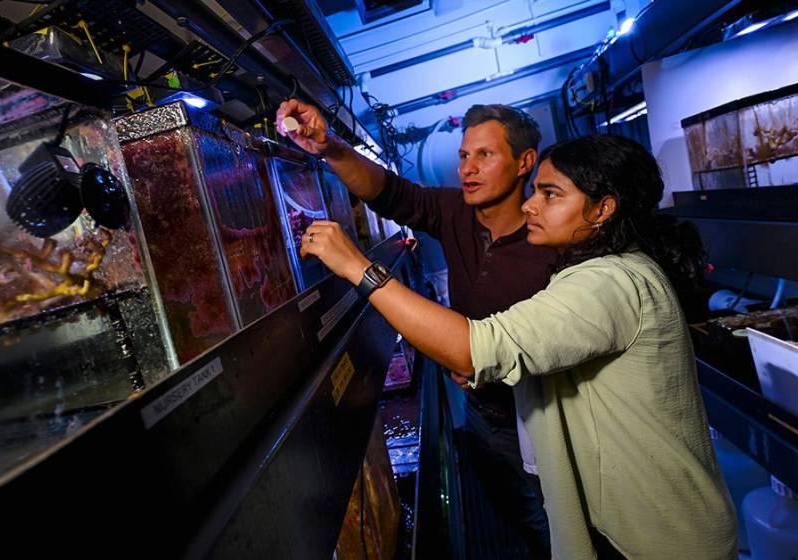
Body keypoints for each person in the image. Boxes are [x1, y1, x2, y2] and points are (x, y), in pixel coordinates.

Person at [297, 135, 738, 559]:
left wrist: (358, 267)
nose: (531, 204)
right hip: (632, 524)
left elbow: (477, 347)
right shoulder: (608, 269)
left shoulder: (608, 282)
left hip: (656, 539)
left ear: (603, 208)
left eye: (550, 194)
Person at [278, 99, 555, 557]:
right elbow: (389, 193)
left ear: (525, 162)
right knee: (518, 514)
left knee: (557, 521)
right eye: (464, 155)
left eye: (485, 155)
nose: (468, 167)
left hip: (537, 419)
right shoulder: (456, 212)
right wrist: (329, 147)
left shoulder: (549, 242)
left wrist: (488, 363)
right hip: (482, 414)